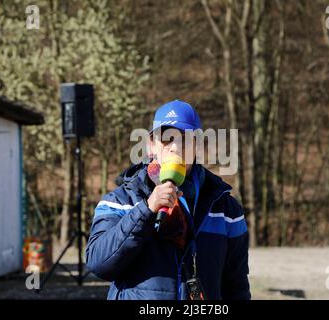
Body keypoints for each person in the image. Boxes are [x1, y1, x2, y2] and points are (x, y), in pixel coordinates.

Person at [86, 99, 250, 300]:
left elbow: (237, 285)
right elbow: (99, 264)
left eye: (184, 139)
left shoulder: (226, 209)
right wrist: (146, 210)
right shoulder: (120, 200)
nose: (175, 147)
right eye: (166, 137)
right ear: (151, 146)